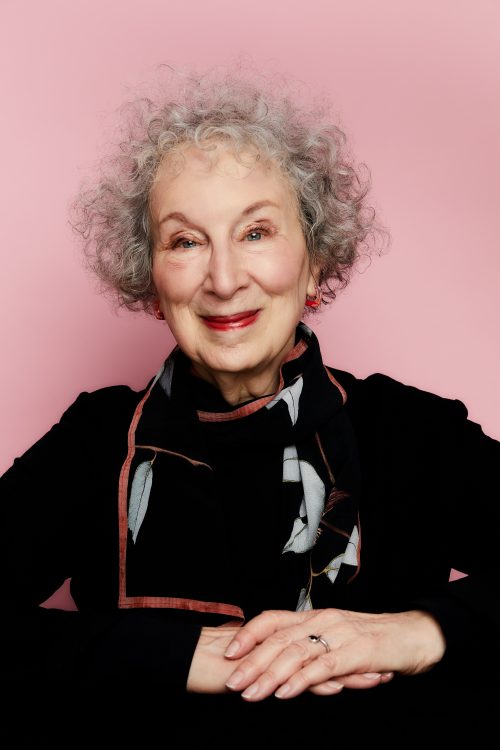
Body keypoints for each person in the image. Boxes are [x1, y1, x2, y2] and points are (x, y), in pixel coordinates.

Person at [1, 66, 499, 747]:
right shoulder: (96, 439)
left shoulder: (412, 432)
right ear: (152, 281)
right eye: (185, 241)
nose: (226, 279)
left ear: (315, 262)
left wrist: (419, 631)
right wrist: (172, 656)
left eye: (256, 233)